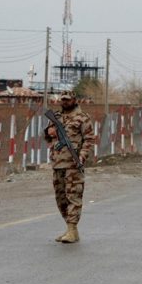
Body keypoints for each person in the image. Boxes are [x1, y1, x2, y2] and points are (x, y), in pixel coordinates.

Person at [44, 91, 95, 243]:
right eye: (63, 100)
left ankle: (72, 229)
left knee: (73, 197)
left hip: (73, 164)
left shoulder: (82, 118)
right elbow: (48, 137)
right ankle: (70, 229)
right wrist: (49, 132)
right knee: (61, 199)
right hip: (57, 164)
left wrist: (82, 156)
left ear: (74, 100)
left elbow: (89, 140)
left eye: (68, 100)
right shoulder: (56, 117)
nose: (65, 102)